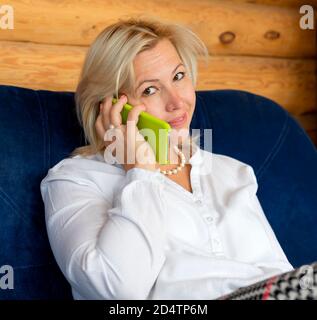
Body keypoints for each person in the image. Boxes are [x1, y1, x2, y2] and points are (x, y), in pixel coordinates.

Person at [40, 17, 294, 300]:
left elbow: (282, 275)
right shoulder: (75, 180)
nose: (177, 102)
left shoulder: (233, 172)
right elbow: (117, 291)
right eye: (150, 89)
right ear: (112, 107)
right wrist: (140, 171)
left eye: (178, 76)